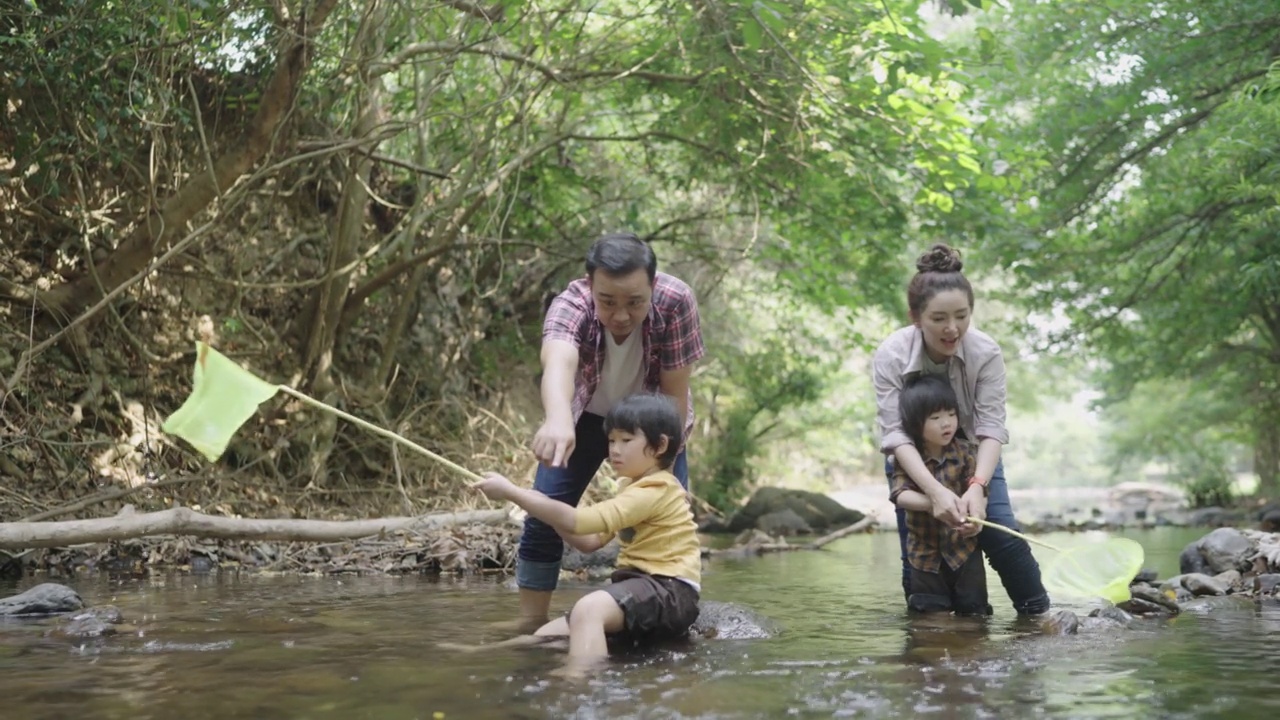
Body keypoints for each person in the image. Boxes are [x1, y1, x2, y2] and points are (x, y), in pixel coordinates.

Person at [518, 232, 704, 626]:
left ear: (653, 286)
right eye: (608, 302)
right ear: (590, 286)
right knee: (542, 513)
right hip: (583, 418)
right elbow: (559, 363)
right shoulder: (571, 304)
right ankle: (532, 622)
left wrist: (666, 466)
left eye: (635, 302)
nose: (621, 315)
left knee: (667, 513)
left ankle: (666, 611)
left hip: (654, 422)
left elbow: (675, 392)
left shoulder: (677, 301)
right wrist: (557, 419)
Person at [464, 394, 702, 675]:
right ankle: (480, 652)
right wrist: (543, 512)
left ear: (660, 445)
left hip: (670, 590)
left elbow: (579, 521)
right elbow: (590, 542)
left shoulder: (656, 489)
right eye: (612, 440)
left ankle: (582, 683)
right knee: (547, 634)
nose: (614, 449)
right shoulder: (632, 488)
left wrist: (515, 494)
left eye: (626, 441)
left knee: (588, 610)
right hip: (643, 587)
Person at [872, 243, 1050, 616]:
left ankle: (1038, 622)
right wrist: (935, 493)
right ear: (915, 317)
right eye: (938, 319)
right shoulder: (891, 354)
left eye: (962, 316)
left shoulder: (986, 353)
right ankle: (930, 644)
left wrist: (978, 486)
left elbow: (990, 427)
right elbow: (895, 434)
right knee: (920, 553)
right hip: (913, 460)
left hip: (974, 457)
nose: (952, 329)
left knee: (1001, 535)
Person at [890, 374, 992, 616]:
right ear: (915, 424)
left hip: (964, 552)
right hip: (924, 556)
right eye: (935, 418)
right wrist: (931, 503)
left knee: (974, 614)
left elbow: (981, 491)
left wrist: (976, 518)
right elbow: (899, 495)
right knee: (930, 617)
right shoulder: (908, 458)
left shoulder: (967, 452)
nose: (946, 423)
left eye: (951, 414)